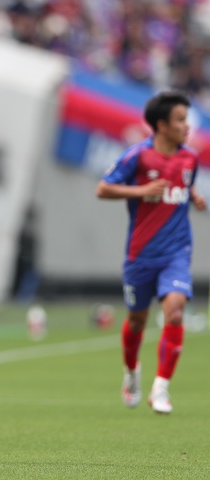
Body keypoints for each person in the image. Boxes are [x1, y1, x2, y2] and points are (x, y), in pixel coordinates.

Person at [96, 90, 207, 414]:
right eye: (180, 120)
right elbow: (103, 188)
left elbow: (184, 183)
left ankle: (161, 388)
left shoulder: (190, 158)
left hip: (177, 252)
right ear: (161, 125)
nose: (187, 126)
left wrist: (193, 196)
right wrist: (142, 190)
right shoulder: (139, 156)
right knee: (136, 321)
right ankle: (132, 372)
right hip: (141, 254)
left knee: (175, 312)